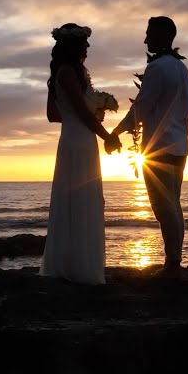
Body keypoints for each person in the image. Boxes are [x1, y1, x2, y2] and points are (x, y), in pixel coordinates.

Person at [40, 23, 123, 285]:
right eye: (84, 42)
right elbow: (73, 113)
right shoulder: (66, 72)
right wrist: (106, 134)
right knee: (78, 200)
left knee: (82, 200)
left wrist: (92, 114)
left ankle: (77, 263)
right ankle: (78, 268)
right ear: (73, 45)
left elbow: (58, 114)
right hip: (78, 143)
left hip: (78, 140)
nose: (88, 47)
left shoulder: (71, 73)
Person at [110, 16, 188, 277]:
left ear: (163, 36)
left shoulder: (158, 68)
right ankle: (174, 260)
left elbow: (141, 108)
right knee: (173, 205)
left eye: (149, 34)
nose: (145, 40)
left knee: (163, 207)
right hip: (179, 147)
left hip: (159, 149)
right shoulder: (183, 69)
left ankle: (172, 265)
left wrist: (115, 131)